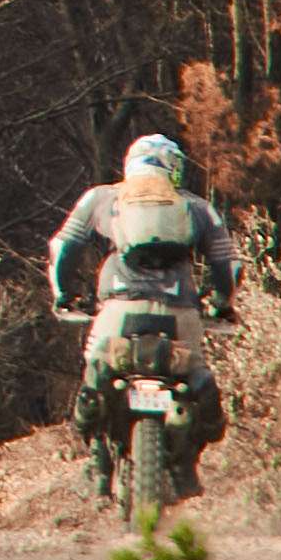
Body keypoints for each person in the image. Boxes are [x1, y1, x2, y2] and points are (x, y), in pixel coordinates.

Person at [45, 132, 239, 486]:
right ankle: (186, 467)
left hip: (118, 312)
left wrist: (63, 294)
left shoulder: (102, 198)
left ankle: (97, 461)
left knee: (96, 371)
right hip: (180, 315)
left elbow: (63, 247)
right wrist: (222, 303)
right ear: (172, 168)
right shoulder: (196, 206)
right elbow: (227, 262)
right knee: (194, 376)